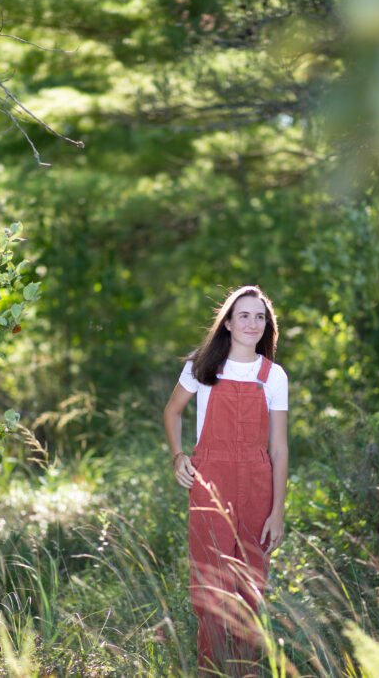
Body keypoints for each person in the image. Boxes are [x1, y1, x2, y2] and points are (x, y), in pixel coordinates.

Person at [163, 285, 289, 676]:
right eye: (245, 315)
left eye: (260, 317)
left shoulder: (273, 376)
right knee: (210, 583)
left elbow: (280, 448)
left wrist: (278, 512)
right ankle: (211, 671)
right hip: (210, 479)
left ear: (266, 326)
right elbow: (172, 412)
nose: (253, 323)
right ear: (229, 323)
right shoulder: (202, 366)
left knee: (251, 586)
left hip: (257, 483)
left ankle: (247, 671)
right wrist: (178, 455)